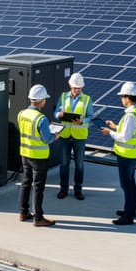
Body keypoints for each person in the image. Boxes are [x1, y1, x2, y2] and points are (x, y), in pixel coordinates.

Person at [99, 82, 136, 225]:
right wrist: (116, 126)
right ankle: (130, 210)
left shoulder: (130, 115)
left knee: (127, 185)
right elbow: (128, 131)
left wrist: (109, 132)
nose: (121, 99)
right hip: (132, 154)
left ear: (127, 97)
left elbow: (125, 137)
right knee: (131, 184)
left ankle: (128, 216)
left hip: (126, 154)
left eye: (122, 96)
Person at [18, 84, 57, 227]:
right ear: (41, 101)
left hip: (25, 154)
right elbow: (47, 139)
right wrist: (56, 135)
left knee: (26, 183)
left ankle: (23, 212)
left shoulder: (21, 114)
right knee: (38, 187)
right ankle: (38, 218)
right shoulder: (41, 119)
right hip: (38, 157)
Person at [55, 72, 94, 200]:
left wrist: (82, 121)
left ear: (82, 87)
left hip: (79, 136)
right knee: (64, 164)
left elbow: (90, 116)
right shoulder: (63, 96)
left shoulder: (87, 99)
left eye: (79, 88)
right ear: (70, 86)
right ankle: (63, 189)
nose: (76, 90)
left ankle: (78, 189)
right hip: (65, 135)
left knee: (79, 165)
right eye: (74, 88)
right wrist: (59, 115)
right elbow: (56, 112)